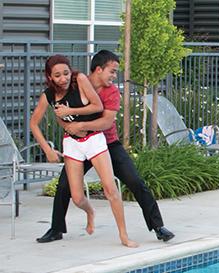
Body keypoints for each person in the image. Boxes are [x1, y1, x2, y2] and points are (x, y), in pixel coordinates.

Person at [36, 50, 174, 244]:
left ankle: (158, 226)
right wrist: (67, 126)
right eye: (112, 71)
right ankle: (56, 229)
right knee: (64, 186)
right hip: (80, 145)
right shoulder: (75, 83)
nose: (114, 76)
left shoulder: (111, 92)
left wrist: (80, 125)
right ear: (99, 69)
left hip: (107, 144)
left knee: (134, 181)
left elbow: (106, 122)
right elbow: (60, 110)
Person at [30, 54, 138, 247]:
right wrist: (47, 149)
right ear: (50, 77)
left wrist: (70, 112)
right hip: (71, 143)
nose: (63, 78)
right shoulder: (48, 95)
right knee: (78, 197)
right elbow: (33, 124)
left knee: (110, 189)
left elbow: (97, 105)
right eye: (57, 75)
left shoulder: (79, 80)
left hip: (93, 139)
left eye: (66, 73)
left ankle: (123, 236)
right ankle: (90, 212)